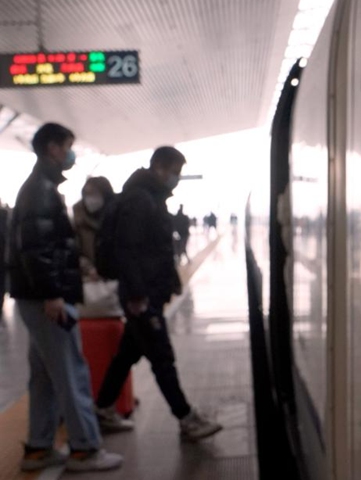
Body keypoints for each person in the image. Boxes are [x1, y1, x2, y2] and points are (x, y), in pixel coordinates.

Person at [8, 123, 123, 472]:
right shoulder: (40, 191)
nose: (72, 154)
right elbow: (36, 249)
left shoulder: (39, 187)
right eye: (68, 146)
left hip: (37, 297)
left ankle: (39, 449)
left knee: (45, 374)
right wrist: (53, 293)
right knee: (71, 371)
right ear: (52, 148)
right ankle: (85, 448)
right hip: (47, 299)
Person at [94, 146, 222, 441]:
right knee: (162, 357)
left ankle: (102, 408)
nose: (176, 178)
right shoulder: (140, 200)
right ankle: (186, 418)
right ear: (161, 168)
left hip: (148, 292)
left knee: (126, 354)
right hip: (142, 297)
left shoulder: (150, 197)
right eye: (175, 171)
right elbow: (128, 250)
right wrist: (138, 295)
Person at [73, 177, 116, 279]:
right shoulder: (78, 221)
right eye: (86, 194)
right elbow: (75, 251)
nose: (90, 199)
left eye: (94, 194)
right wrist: (88, 268)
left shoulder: (116, 218)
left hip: (115, 278)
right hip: (90, 280)